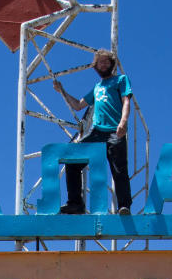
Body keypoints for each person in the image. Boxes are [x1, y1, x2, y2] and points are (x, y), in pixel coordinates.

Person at [51, 49, 134, 215]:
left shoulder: (120, 80)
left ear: (111, 64)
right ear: (96, 66)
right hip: (96, 133)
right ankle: (75, 203)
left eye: (106, 61)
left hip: (114, 131)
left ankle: (124, 206)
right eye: (100, 62)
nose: (103, 64)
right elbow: (79, 105)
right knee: (73, 160)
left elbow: (126, 101)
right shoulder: (97, 87)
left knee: (119, 170)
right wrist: (62, 91)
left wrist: (123, 122)